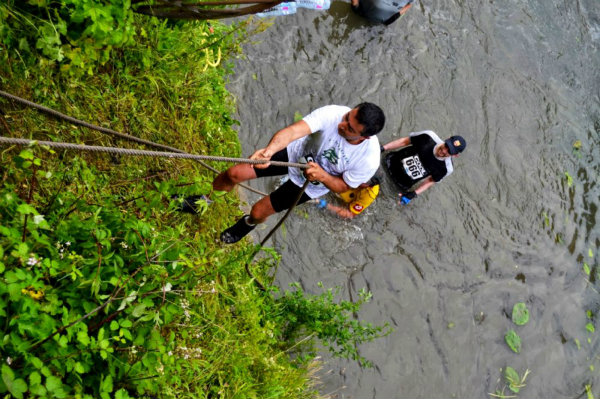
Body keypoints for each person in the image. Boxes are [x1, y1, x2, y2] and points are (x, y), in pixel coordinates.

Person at [214, 103, 386, 244]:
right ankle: (205, 200)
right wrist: (269, 151)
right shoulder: (333, 113)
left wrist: (322, 176)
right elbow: (294, 131)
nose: (342, 125)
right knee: (234, 173)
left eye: (350, 129)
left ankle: (247, 224)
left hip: (312, 185)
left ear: (364, 138)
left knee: (258, 212)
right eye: (347, 118)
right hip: (295, 154)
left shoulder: (368, 159)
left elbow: (343, 186)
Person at [381, 131, 466, 204]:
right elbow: (405, 141)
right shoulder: (428, 136)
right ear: (447, 139)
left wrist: (414, 193)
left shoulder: (447, 168)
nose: (444, 150)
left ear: (455, 155)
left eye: (449, 151)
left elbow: (431, 180)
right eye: (446, 146)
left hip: (400, 185)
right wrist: (383, 148)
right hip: (389, 162)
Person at [315, 174, 380, 219]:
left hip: (349, 197)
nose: (360, 180)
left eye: (363, 181)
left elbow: (350, 214)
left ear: (369, 185)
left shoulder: (369, 195)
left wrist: (328, 206)